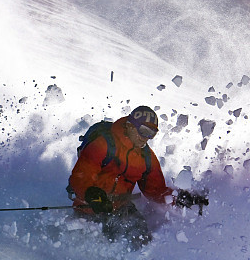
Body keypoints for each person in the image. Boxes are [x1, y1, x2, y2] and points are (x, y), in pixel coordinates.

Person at [67, 106, 174, 248]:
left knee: (142, 241)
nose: (146, 138)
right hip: (90, 208)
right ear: (130, 126)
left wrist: (181, 198)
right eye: (143, 131)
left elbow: (156, 191)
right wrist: (92, 194)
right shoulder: (104, 144)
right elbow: (80, 176)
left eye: (151, 134)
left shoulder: (147, 158)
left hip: (121, 209)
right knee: (93, 245)